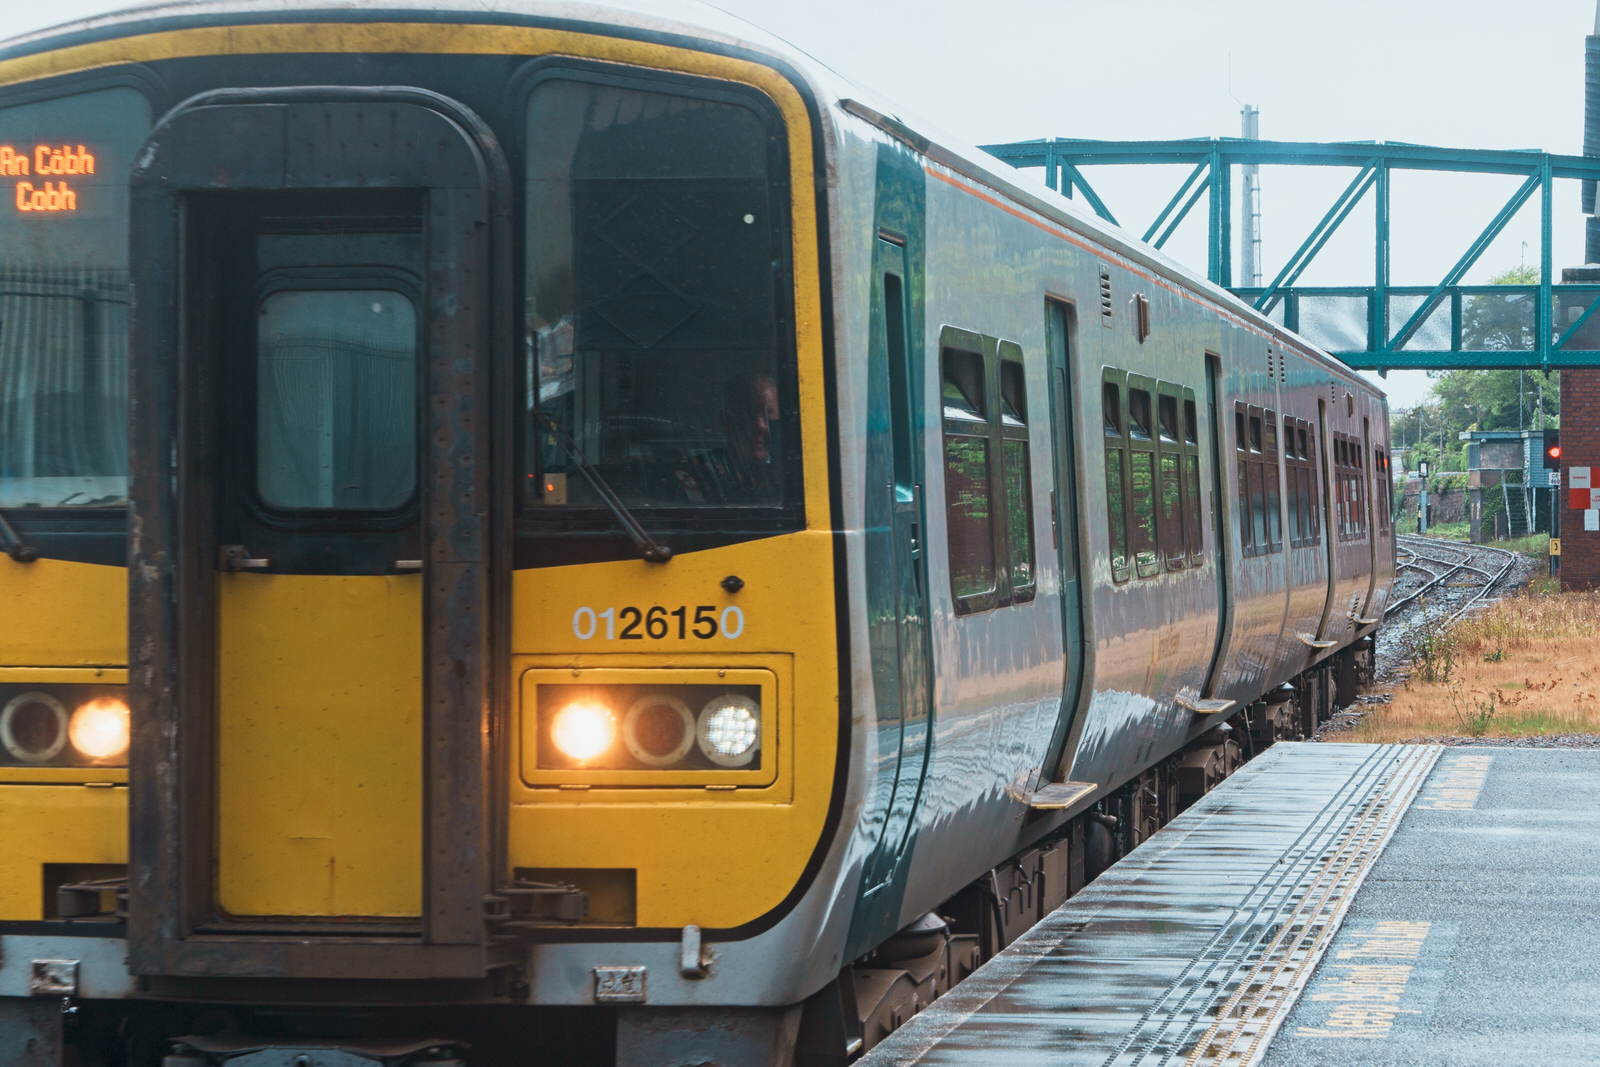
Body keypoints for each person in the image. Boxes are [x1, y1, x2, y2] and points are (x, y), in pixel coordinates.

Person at [671, 374, 781, 504]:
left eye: (769, 416)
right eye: (748, 414)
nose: (760, 426)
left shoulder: (795, 474)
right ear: (725, 422)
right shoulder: (697, 472)